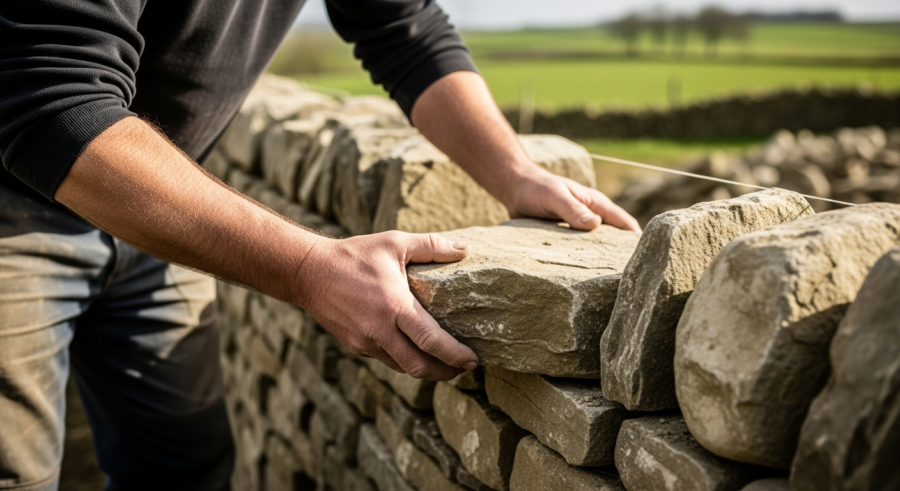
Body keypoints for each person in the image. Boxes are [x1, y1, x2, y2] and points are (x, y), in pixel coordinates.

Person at [0, 1, 640, 489]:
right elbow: (54, 100)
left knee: (183, 463)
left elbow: (402, 26)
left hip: (161, 212)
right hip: (16, 215)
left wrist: (513, 171)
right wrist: (310, 268)